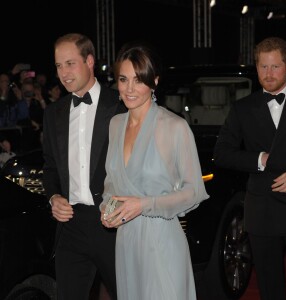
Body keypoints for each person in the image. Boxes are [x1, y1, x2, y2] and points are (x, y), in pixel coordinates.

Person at [100, 41, 209, 300]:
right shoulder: (115, 125)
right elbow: (111, 184)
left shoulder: (175, 127)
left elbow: (194, 191)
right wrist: (107, 209)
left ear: (155, 82)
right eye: (123, 79)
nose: (129, 88)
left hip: (162, 242)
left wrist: (144, 204)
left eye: (138, 80)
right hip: (126, 242)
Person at [213, 36, 286, 300]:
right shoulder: (243, 108)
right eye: (263, 66)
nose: (268, 73)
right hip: (262, 212)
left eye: (275, 66)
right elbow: (222, 154)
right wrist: (259, 159)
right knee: (269, 286)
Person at [42, 33, 126, 300]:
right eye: (58, 66)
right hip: (70, 228)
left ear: (89, 61)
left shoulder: (121, 104)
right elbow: (51, 167)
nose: (63, 73)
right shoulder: (53, 113)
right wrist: (54, 196)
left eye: (70, 63)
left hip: (113, 227)